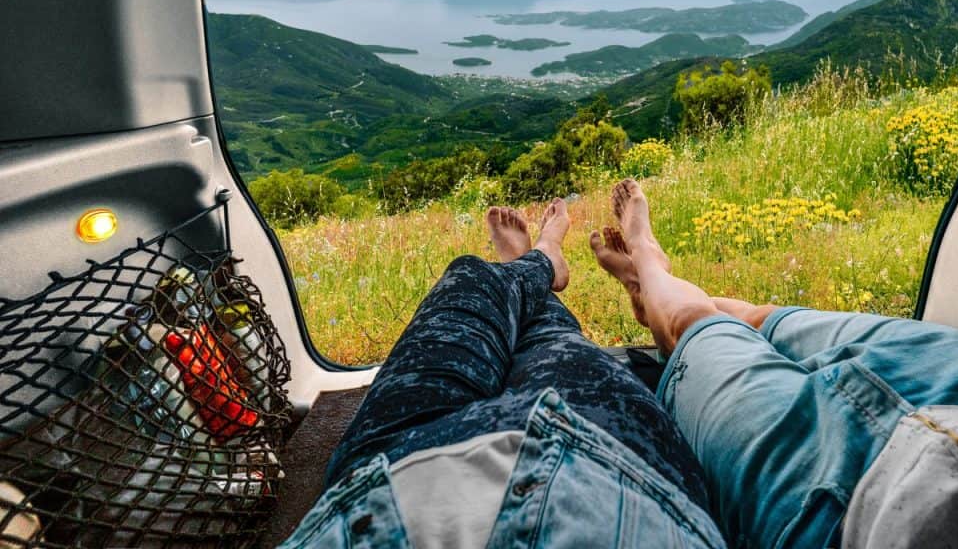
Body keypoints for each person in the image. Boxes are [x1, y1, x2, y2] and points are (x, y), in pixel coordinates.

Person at [593, 178, 958, 549]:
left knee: (695, 329)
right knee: (762, 317)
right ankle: (657, 287)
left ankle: (651, 269)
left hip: (836, 513)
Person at [278, 198, 726, 548]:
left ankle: (539, 262)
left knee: (471, 279)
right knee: (549, 337)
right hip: (610, 466)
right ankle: (544, 261)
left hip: (389, 471)